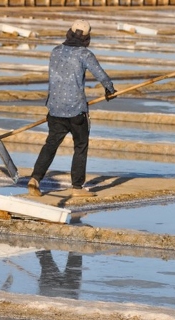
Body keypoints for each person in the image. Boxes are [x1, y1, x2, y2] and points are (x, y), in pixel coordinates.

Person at [28, 19, 116, 199]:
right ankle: (77, 187)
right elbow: (100, 74)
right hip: (76, 110)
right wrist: (110, 89)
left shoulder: (55, 51)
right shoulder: (85, 54)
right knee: (81, 146)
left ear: (69, 33)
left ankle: (35, 178)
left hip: (55, 109)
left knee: (51, 144)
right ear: (86, 37)